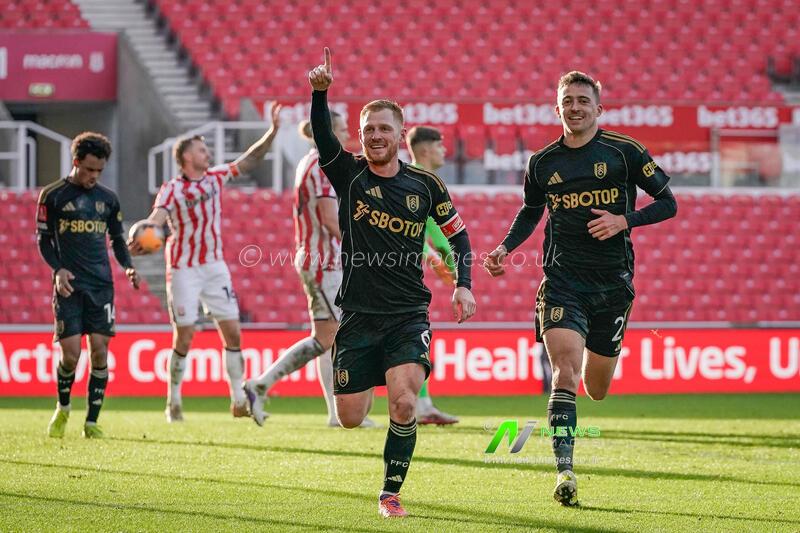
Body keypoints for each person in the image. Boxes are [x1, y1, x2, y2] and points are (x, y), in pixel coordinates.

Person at [484, 71, 678, 506]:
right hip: (561, 282)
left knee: (597, 388)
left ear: (598, 108)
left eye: (582, 101)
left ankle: (596, 376)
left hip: (612, 285)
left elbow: (669, 202)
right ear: (558, 108)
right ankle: (565, 470)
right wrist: (504, 247)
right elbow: (531, 213)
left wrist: (624, 220)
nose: (574, 107)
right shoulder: (542, 163)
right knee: (565, 374)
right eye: (567, 101)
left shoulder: (623, 152)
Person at [309, 48, 476, 518]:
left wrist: (463, 284)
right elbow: (323, 138)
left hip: (408, 315)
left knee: (403, 403)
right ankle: (371, 408)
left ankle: (390, 493)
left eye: (385, 128)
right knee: (350, 418)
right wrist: (320, 94)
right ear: (360, 136)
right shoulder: (349, 174)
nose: (376, 136)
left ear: (401, 134)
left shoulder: (426, 186)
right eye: (369, 130)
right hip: (358, 316)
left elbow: (459, 236)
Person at [129, 103, 281, 422]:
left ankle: (239, 398)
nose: (207, 153)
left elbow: (249, 160)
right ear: (186, 157)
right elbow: (158, 217)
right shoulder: (172, 189)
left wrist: (272, 132)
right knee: (184, 336)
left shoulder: (215, 178)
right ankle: (173, 400)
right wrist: (147, 232)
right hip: (183, 268)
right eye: (201, 149)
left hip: (214, 266)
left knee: (233, 333)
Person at [244, 116, 375, 429]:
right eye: (344, 129)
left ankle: (332, 412)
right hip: (325, 262)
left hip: (317, 260)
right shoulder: (322, 166)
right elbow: (329, 219)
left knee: (326, 338)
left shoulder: (308, 162)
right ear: (331, 132)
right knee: (330, 337)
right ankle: (261, 384)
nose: (348, 134)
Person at [37, 132, 140, 439]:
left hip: (101, 285)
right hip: (68, 285)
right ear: (76, 162)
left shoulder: (108, 199)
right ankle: (63, 407)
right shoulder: (53, 195)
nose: (94, 176)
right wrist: (58, 270)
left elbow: (118, 241)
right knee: (70, 355)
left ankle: (92, 423)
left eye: (99, 171)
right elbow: (43, 240)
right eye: (89, 169)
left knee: (99, 352)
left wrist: (129, 267)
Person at [406, 126, 460, 426]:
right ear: (426, 149)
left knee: (416, 343)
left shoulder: (421, 180)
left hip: (406, 275)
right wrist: (454, 271)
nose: (444, 151)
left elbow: (431, 235)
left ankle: (422, 406)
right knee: (413, 342)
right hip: (400, 278)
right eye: (440, 146)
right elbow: (434, 236)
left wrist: (446, 265)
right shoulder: (419, 181)